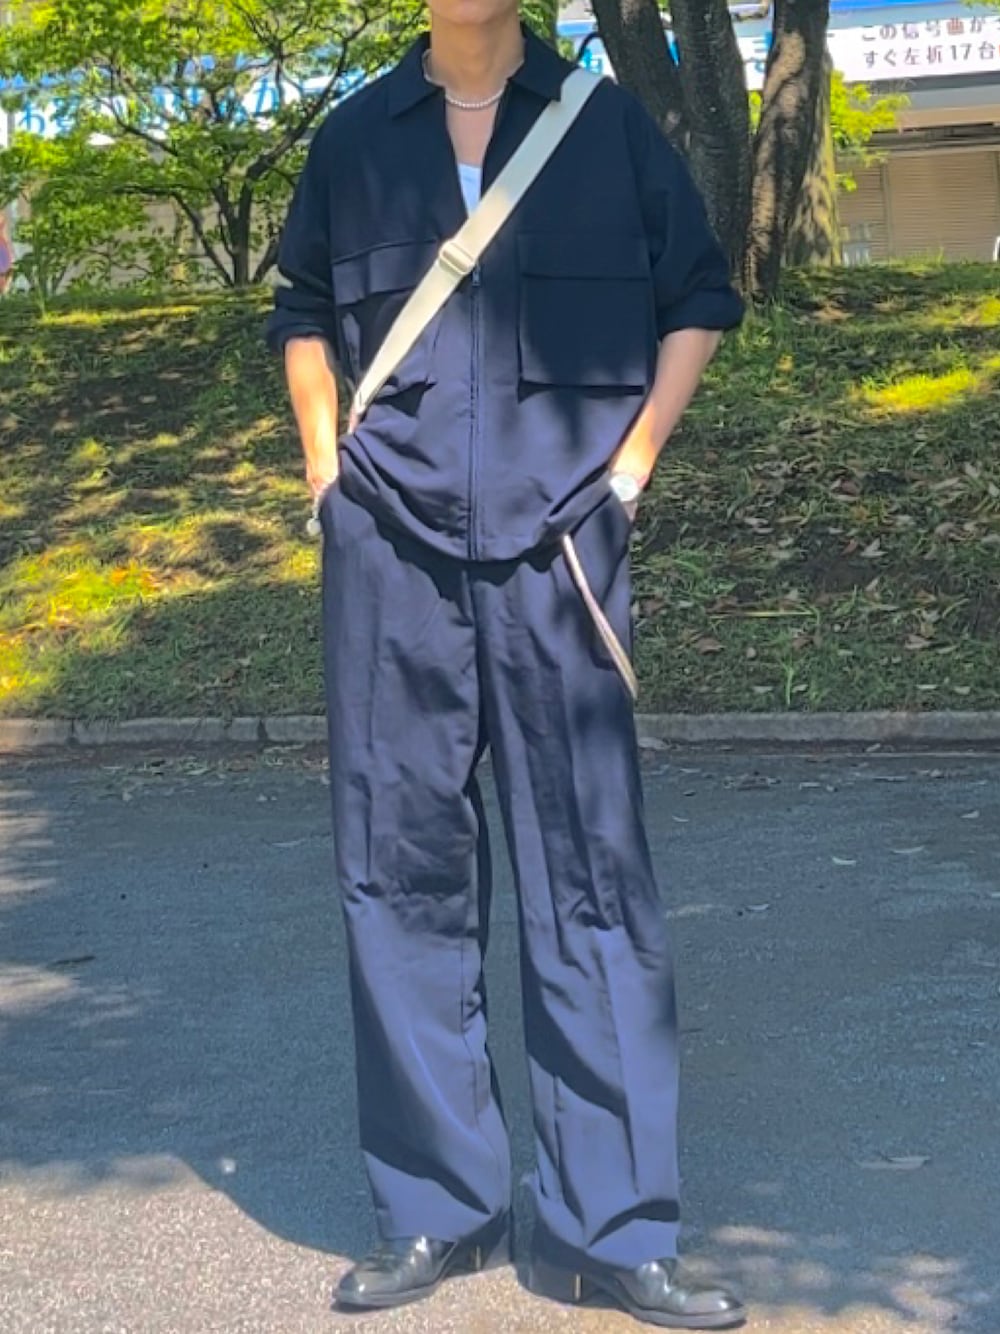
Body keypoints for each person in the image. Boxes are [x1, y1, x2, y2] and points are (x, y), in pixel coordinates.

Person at [267, 1, 746, 1327]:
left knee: (593, 874)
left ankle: (613, 1228)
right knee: (398, 869)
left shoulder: (606, 128)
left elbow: (699, 294)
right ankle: (440, 1208)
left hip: (562, 548)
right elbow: (302, 307)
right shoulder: (354, 140)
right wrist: (324, 471)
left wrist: (630, 471)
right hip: (390, 544)